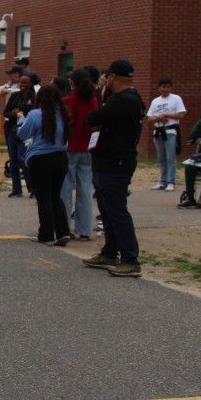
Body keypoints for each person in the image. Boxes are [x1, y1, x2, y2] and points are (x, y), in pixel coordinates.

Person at [83, 59, 145, 278]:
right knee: (107, 210)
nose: (104, 80)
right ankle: (110, 252)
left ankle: (130, 259)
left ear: (113, 77)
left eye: (106, 77)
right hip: (108, 160)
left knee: (117, 211)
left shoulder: (123, 100)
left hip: (116, 162)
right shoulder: (127, 99)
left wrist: (101, 100)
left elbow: (93, 117)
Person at [16, 85, 72, 245]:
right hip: (61, 157)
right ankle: (63, 231)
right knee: (55, 196)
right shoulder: (64, 114)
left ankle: (46, 234)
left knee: (43, 198)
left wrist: (20, 120)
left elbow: (22, 135)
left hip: (40, 158)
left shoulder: (35, 114)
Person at [60, 68, 99, 240]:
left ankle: (64, 227)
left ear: (73, 82)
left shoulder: (68, 100)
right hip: (87, 146)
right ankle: (85, 229)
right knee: (85, 189)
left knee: (65, 189)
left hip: (69, 147)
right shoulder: (93, 100)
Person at [145, 78, 186, 191]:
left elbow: (181, 115)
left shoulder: (176, 99)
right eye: (163, 87)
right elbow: (149, 118)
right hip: (158, 131)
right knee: (161, 158)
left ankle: (171, 181)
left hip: (170, 131)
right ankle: (163, 181)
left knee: (170, 158)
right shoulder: (155, 101)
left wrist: (166, 115)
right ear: (159, 88)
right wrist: (158, 118)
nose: (165, 89)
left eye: (168, 87)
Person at [4, 73, 36, 197]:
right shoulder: (15, 96)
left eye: (25, 83)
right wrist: (14, 114)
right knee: (13, 161)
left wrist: (22, 115)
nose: (22, 85)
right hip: (13, 131)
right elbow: (5, 112)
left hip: (26, 132)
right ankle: (16, 189)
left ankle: (32, 188)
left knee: (22, 159)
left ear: (30, 84)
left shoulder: (34, 97)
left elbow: (35, 114)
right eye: (21, 82)